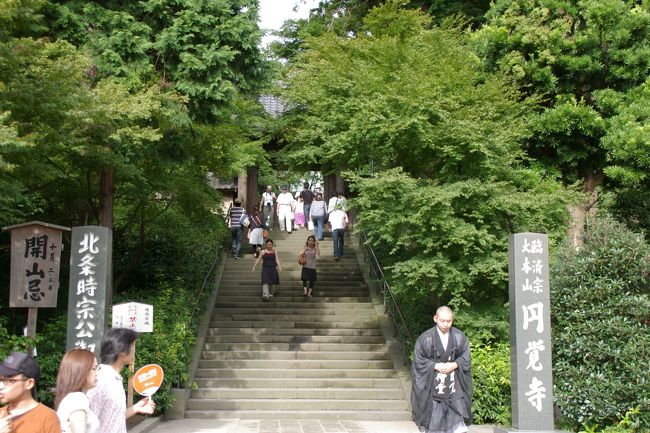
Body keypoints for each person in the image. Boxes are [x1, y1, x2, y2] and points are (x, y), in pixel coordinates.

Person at [411, 306, 473, 433]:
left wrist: (455, 365)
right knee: (434, 423)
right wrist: (434, 365)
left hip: (453, 386)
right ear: (435, 319)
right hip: (433, 387)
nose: (445, 324)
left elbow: (466, 357)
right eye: (442, 321)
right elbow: (418, 360)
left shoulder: (458, 336)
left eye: (449, 321)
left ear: (452, 320)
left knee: (457, 424)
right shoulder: (426, 338)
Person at [88, 328, 155, 433]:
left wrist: (136, 408)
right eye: (132, 345)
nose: (134, 349)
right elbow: (87, 422)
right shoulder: (101, 381)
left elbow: (114, 418)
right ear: (123, 351)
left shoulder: (114, 379)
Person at [0, 351, 61, 433]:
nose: (1, 386)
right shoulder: (1, 414)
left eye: (11, 381)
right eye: (1, 380)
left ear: (29, 383)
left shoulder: (47, 417)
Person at [55, 349, 100, 433]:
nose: (97, 373)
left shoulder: (70, 398)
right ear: (81, 371)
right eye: (94, 369)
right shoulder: (77, 398)